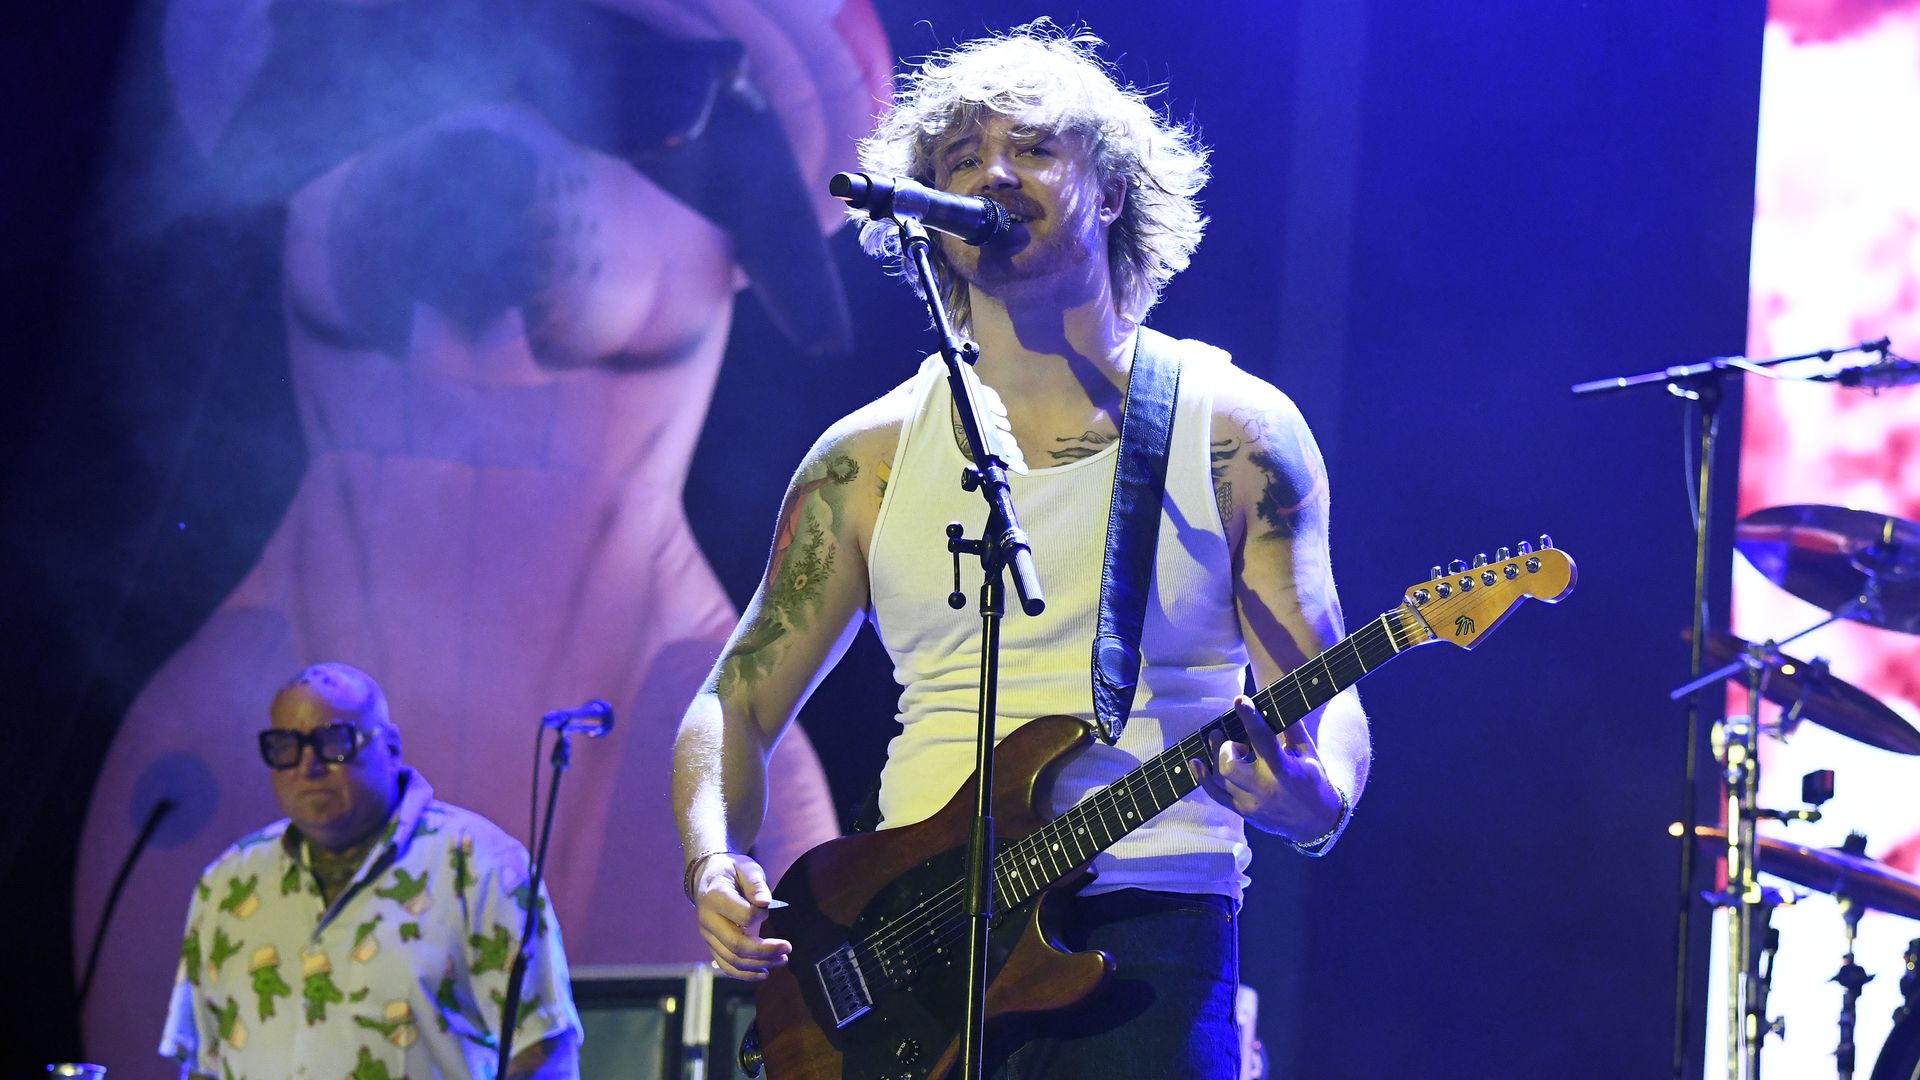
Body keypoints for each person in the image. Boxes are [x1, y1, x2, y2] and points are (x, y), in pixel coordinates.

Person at [672, 22, 1372, 1077]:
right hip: (904, 954)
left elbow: (1326, 683)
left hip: (1149, 932)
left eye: (1035, 149)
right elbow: (735, 699)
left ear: (1114, 191)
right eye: (959, 160)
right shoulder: (863, 460)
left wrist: (1318, 800)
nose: (993, 173)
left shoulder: (1235, 433)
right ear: (931, 215)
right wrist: (711, 855)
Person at [160, 663, 582, 1079]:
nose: (310, 765)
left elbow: (542, 1053)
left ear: (392, 746)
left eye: (334, 742)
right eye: (285, 747)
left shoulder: (479, 865)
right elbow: (204, 1065)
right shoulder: (228, 883)